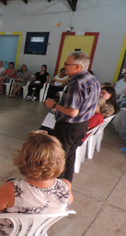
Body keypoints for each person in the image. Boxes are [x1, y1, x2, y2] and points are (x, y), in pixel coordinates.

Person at [0, 133, 72, 236]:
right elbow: (66, 201)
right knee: (10, 182)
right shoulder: (65, 186)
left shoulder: (12, 188)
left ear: (24, 160)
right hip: (38, 230)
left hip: (11, 231)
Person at [45, 51, 100, 182]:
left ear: (77, 67)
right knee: (69, 157)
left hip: (68, 127)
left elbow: (72, 112)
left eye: (66, 64)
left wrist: (54, 105)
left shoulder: (77, 83)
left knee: (60, 158)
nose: (64, 67)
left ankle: (57, 189)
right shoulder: (93, 80)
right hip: (82, 126)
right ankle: (66, 185)